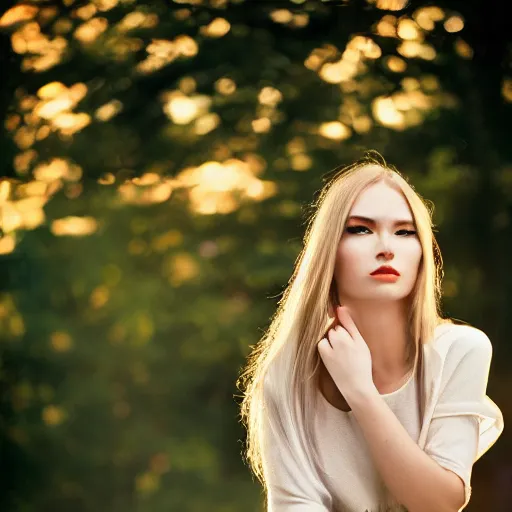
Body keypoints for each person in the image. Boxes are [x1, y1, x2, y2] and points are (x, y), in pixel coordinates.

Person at [237, 153, 504, 512]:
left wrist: (361, 392)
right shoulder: (286, 375)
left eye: (405, 231)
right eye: (360, 229)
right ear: (329, 250)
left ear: (423, 252)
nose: (386, 248)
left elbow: (441, 503)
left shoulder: (461, 350)